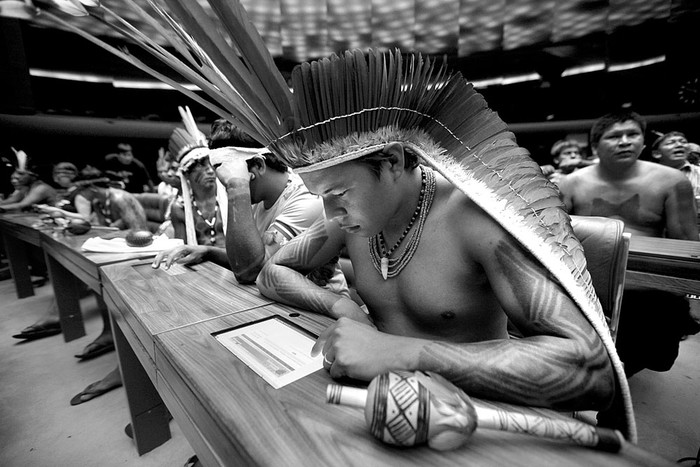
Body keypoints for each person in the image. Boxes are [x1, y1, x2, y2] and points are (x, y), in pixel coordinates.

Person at [253, 50, 636, 439]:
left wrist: (398, 352)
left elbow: (590, 370)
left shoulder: (474, 217)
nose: (330, 212)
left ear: (394, 162)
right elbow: (272, 272)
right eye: (319, 195)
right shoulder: (351, 218)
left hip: (477, 417)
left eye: (339, 192)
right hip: (387, 404)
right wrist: (343, 306)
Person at [558, 111, 700, 377]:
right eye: (614, 136)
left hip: (647, 280)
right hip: (587, 276)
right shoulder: (572, 182)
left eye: (632, 135)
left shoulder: (672, 181)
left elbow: (686, 244)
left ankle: (623, 371)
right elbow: (555, 236)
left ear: (643, 143)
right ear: (595, 146)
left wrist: (675, 289)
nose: (625, 142)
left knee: (657, 354)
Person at [154, 115, 347, 295]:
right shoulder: (258, 197)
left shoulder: (306, 198)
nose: (222, 180)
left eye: (228, 172)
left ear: (259, 166)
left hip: (323, 313)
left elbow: (251, 271)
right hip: (279, 300)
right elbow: (249, 256)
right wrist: (208, 252)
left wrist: (237, 187)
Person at [651, 131, 700, 199]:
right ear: (657, 154)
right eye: (670, 143)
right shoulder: (647, 176)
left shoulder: (698, 172)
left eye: (683, 142)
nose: (679, 145)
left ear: (688, 150)